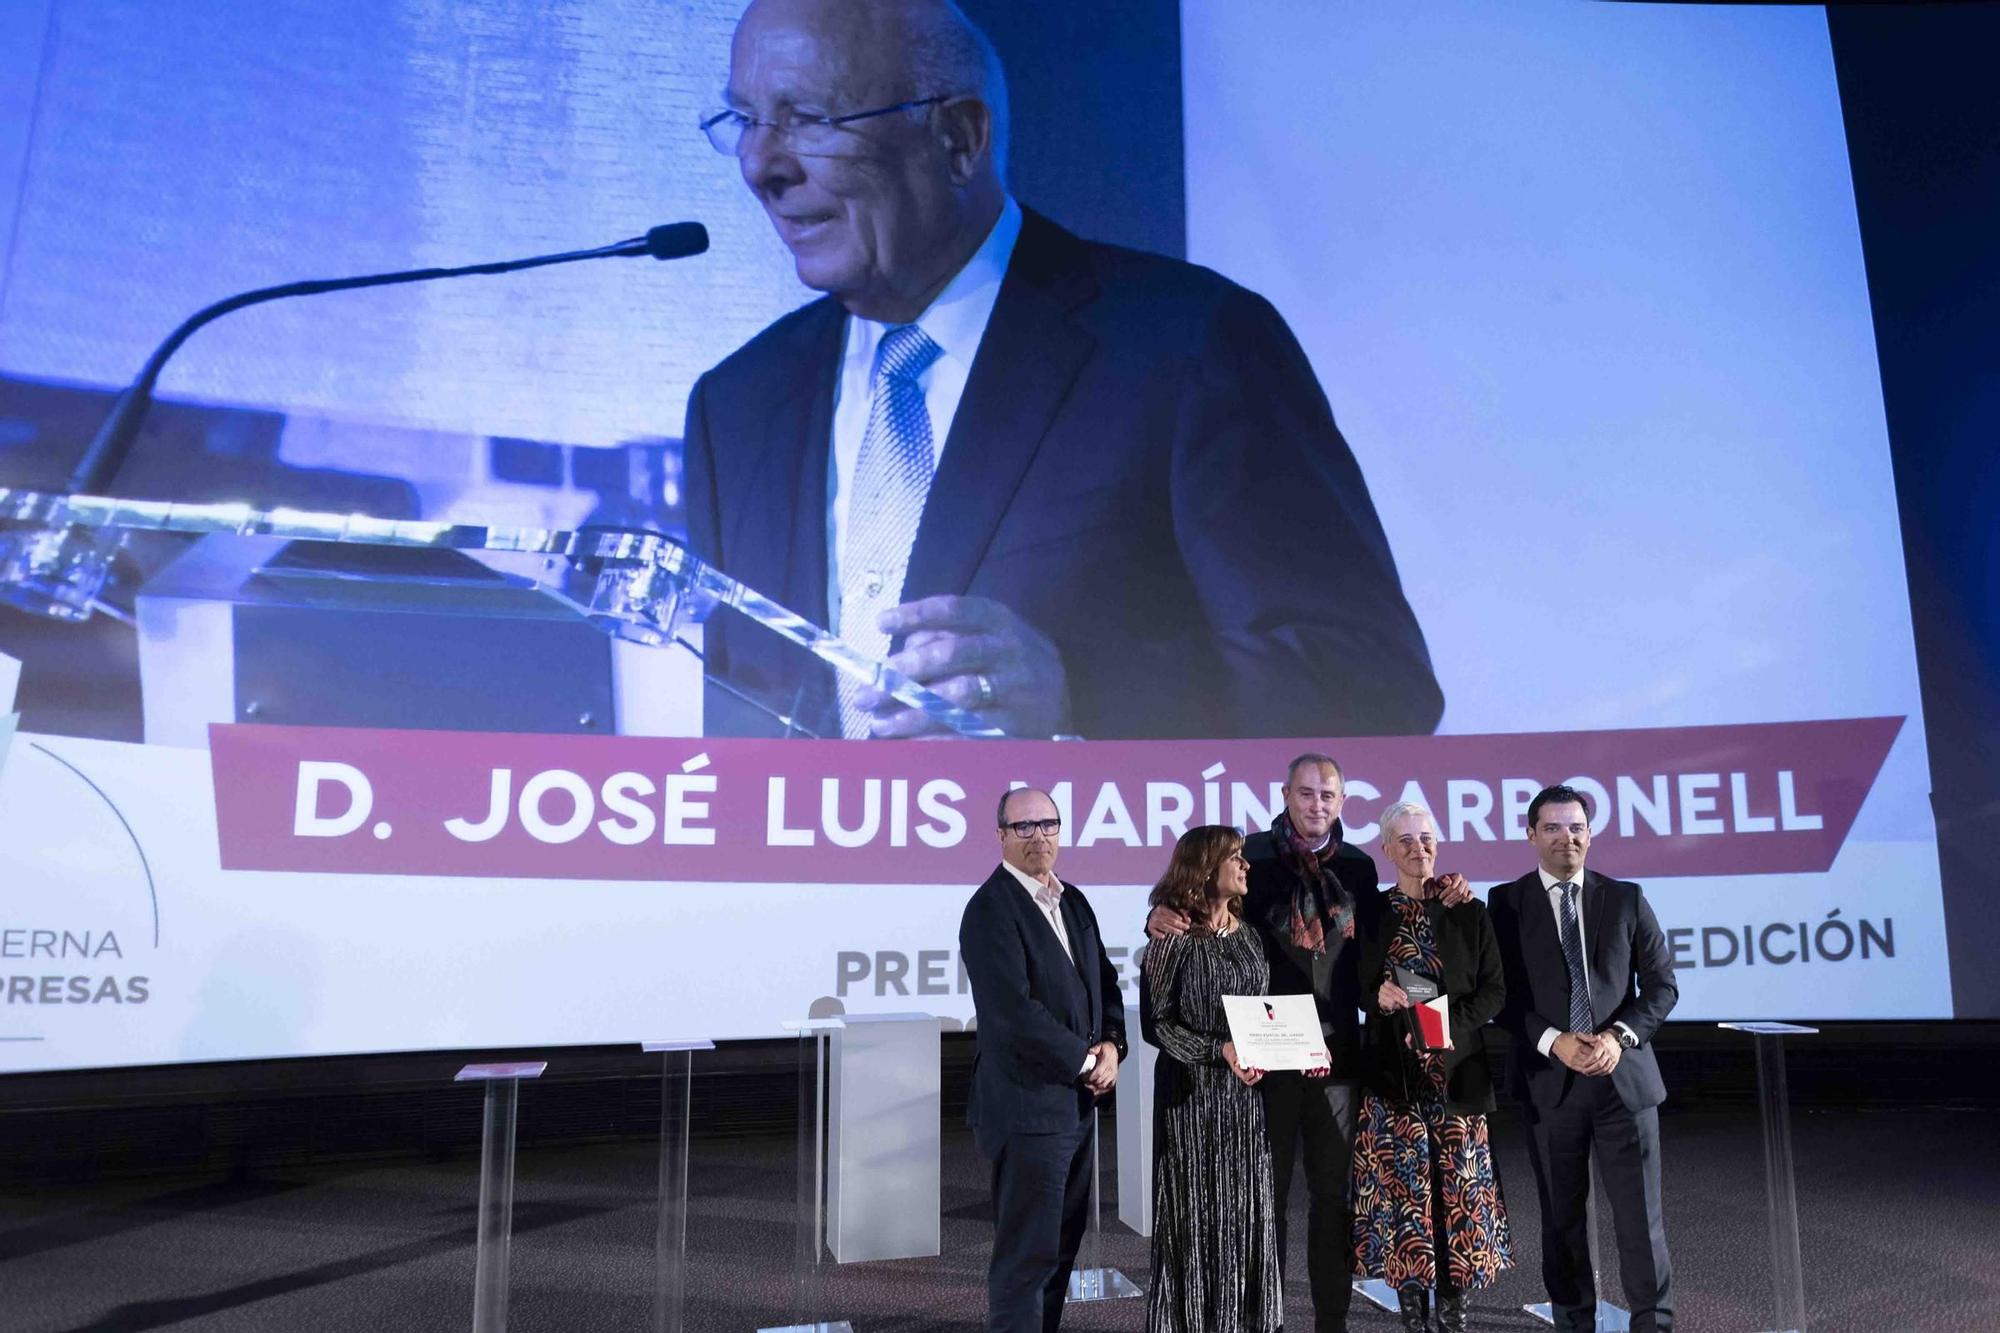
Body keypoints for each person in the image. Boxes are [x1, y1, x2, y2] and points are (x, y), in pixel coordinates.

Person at [682, 0, 1441, 740]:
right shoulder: (737, 409)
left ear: (958, 139)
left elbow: (1371, 681)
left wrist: (1081, 692)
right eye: (745, 119)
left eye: (810, 119)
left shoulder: (1186, 345)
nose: (759, 164)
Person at [1146, 753, 1471, 1333]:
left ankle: (1331, 1323)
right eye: (1305, 794)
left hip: (1339, 1058)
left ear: (1342, 802)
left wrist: (1440, 889)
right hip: (1263, 1060)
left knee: (1334, 1204)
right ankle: (1257, 1321)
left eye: (1327, 795)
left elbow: (1385, 942)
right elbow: (1199, 902)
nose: (1316, 804)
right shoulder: (1251, 857)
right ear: (1285, 795)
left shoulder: (1359, 866)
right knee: (1261, 1206)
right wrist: (1159, 912)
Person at [1487, 784, 1679, 1333]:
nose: (1565, 837)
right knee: (1561, 1221)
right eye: (1552, 827)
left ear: (1590, 834)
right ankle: (1575, 1323)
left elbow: (1662, 987)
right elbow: (1500, 997)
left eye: (1576, 827)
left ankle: (1654, 1324)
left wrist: (1619, 1035)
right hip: (1550, 1084)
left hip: (1625, 1084)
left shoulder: (1625, 898)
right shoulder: (1505, 903)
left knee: (1642, 1221)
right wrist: (1555, 1040)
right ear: (1530, 835)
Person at [960, 787, 1127, 1333]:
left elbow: (1104, 981)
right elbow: (1013, 1014)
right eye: (1024, 827)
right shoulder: (989, 908)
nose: (1039, 836)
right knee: (1025, 1259)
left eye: (1048, 824)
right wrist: (1085, 1062)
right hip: (1028, 1110)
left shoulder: (1073, 899)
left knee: (1059, 1252)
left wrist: (1112, 1045)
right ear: (1001, 836)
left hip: (1076, 1110)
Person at [1351, 802, 1512, 1332]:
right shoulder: (1370, 912)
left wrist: (1444, 1025)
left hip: (1456, 1074)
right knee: (1405, 1201)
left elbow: (1494, 990)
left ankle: (1455, 1314)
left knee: (1458, 1202)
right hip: (1393, 1081)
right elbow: (1356, 987)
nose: (1418, 848)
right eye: (1405, 840)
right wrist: (1379, 995)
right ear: (1386, 850)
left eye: (1426, 838)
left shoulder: (1468, 908)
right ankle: (1413, 1318)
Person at [1142, 825, 1285, 1333]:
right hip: (1192, 1104)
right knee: (1198, 1219)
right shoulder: (1171, 935)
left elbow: (1264, 1017)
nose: (1246, 866)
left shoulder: (1250, 938)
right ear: (1205, 868)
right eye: (1235, 858)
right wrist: (1216, 1049)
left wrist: (1287, 1051)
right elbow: (1156, 1024)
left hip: (1245, 1104)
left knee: (1248, 1215)